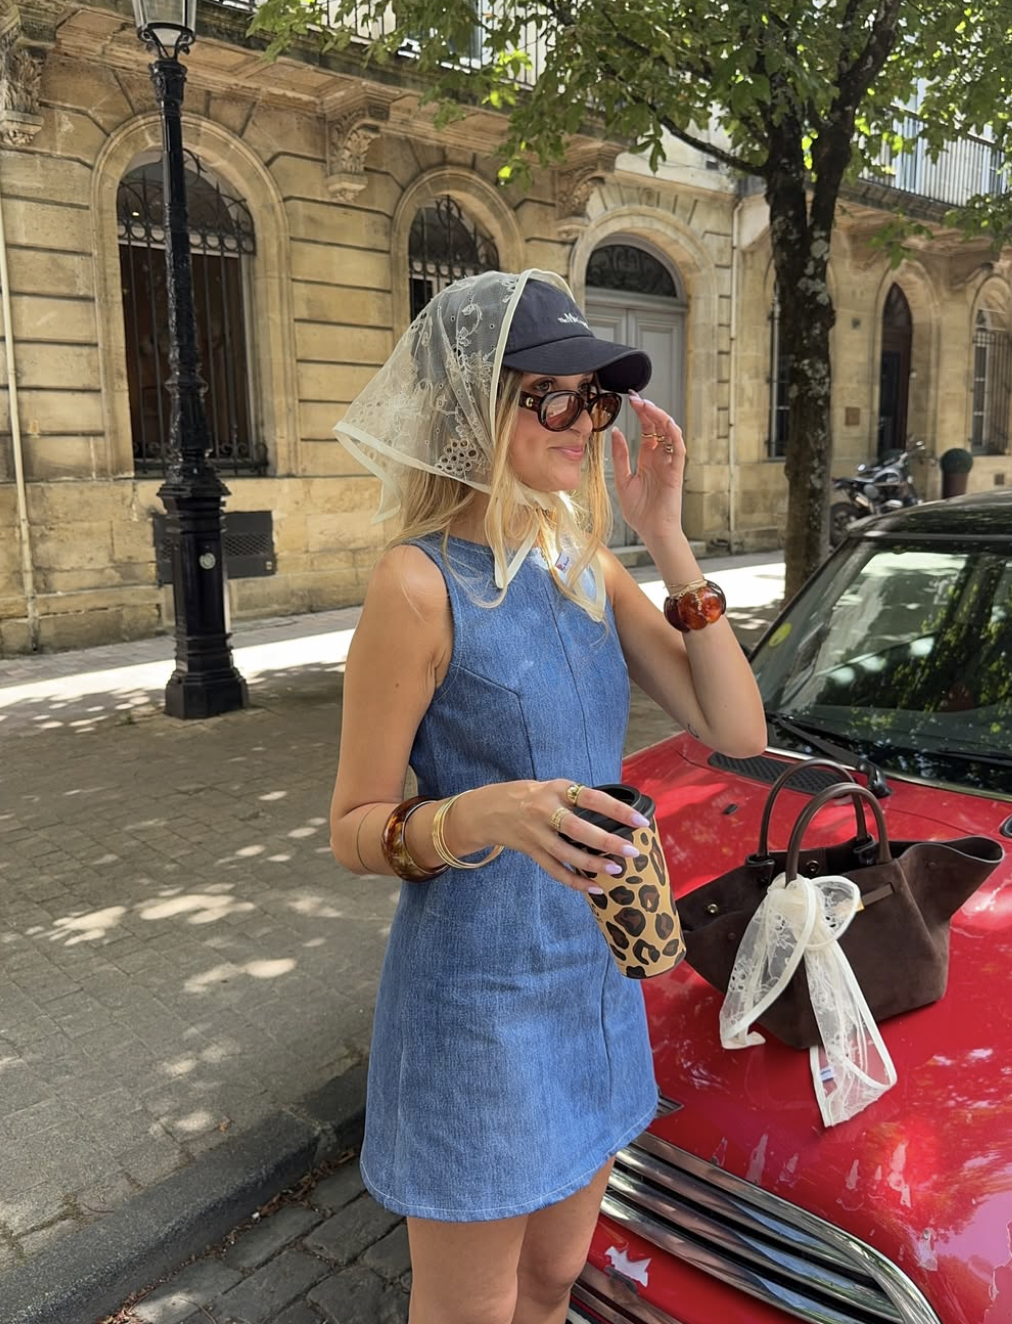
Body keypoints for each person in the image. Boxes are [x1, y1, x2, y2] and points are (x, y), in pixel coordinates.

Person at [329, 269, 766, 1324]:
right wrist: (479, 815)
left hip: (595, 976)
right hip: (477, 1002)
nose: (583, 422)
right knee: (471, 1310)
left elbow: (737, 730)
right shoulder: (416, 584)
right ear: (474, 409)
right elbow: (351, 827)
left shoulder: (583, 561)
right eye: (552, 397)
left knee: (557, 1278)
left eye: (595, 398)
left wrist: (666, 535)